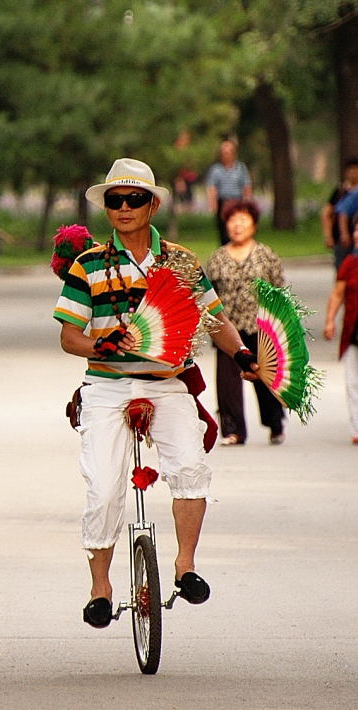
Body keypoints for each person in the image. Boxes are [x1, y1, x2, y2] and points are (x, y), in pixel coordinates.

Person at [53, 157, 260, 629]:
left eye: (134, 199)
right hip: (106, 384)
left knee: (190, 467)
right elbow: (69, 336)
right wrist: (97, 343)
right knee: (104, 490)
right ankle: (100, 588)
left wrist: (243, 356)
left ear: (153, 204)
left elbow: (215, 319)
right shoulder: (88, 265)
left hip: (167, 383)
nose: (124, 207)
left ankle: (185, 566)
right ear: (106, 207)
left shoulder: (181, 262)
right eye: (114, 200)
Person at [207, 200, 285, 445]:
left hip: (260, 327)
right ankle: (233, 430)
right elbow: (210, 294)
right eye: (232, 220)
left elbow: (279, 291)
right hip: (228, 327)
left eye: (243, 220)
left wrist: (280, 325)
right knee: (227, 382)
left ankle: (274, 423)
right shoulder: (217, 258)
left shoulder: (266, 255)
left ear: (254, 224)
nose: (237, 225)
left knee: (264, 376)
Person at [323, 218, 358, 444]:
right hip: (354, 331)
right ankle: (357, 427)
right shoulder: (349, 264)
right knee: (353, 380)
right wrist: (330, 320)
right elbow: (338, 293)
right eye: (356, 229)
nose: (356, 234)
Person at [206, 139, 252, 245]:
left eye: (228, 153)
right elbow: (212, 188)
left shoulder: (240, 168)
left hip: (237, 202)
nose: (225, 155)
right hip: (223, 202)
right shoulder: (216, 170)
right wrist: (213, 205)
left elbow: (246, 186)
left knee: (238, 228)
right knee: (224, 231)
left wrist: (247, 202)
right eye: (223, 153)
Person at [321, 158, 358, 271]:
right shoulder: (341, 191)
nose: (353, 173)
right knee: (342, 269)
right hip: (342, 239)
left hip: (354, 237)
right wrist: (329, 235)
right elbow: (329, 213)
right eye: (351, 170)